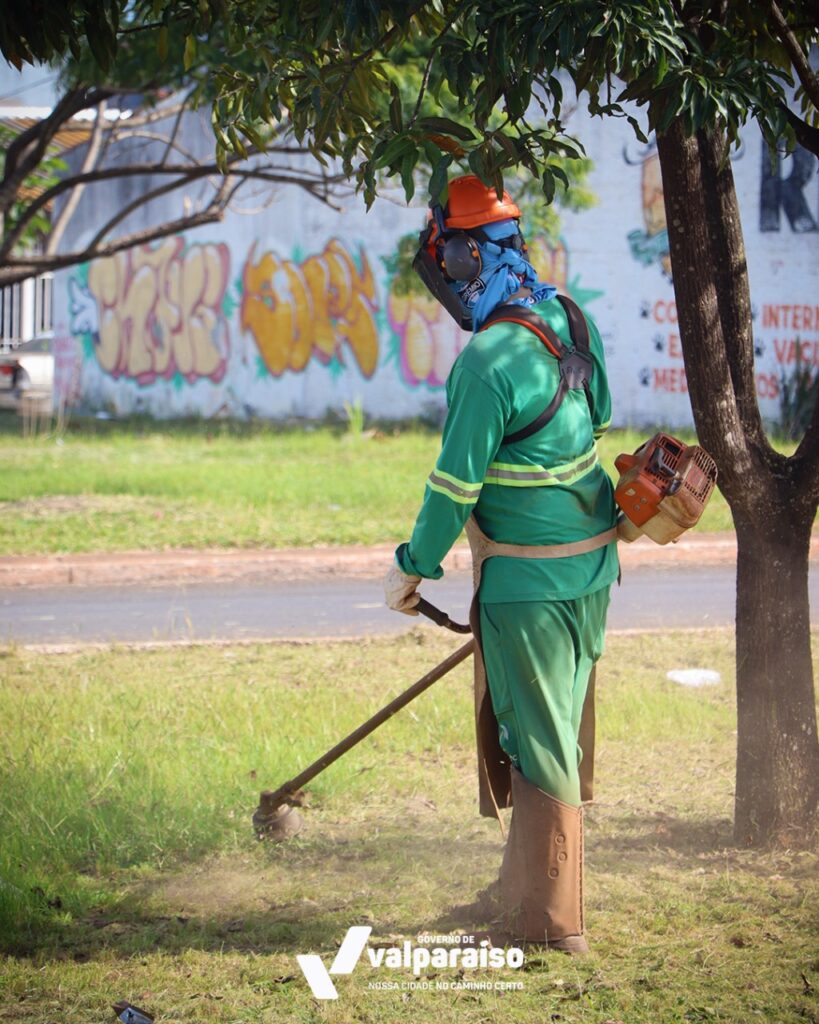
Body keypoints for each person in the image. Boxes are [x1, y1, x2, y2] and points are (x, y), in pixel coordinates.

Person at [383, 174, 619, 954]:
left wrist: (412, 567)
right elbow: (599, 416)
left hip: (526, 584)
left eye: (446, 259)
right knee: (549, 729)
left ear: (466, 258)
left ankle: (552, 922)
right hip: (592, 568)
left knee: (536, 738)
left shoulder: (485, 361)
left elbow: (454, 487)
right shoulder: (567, 317)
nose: (444, 276)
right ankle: (519, 889)